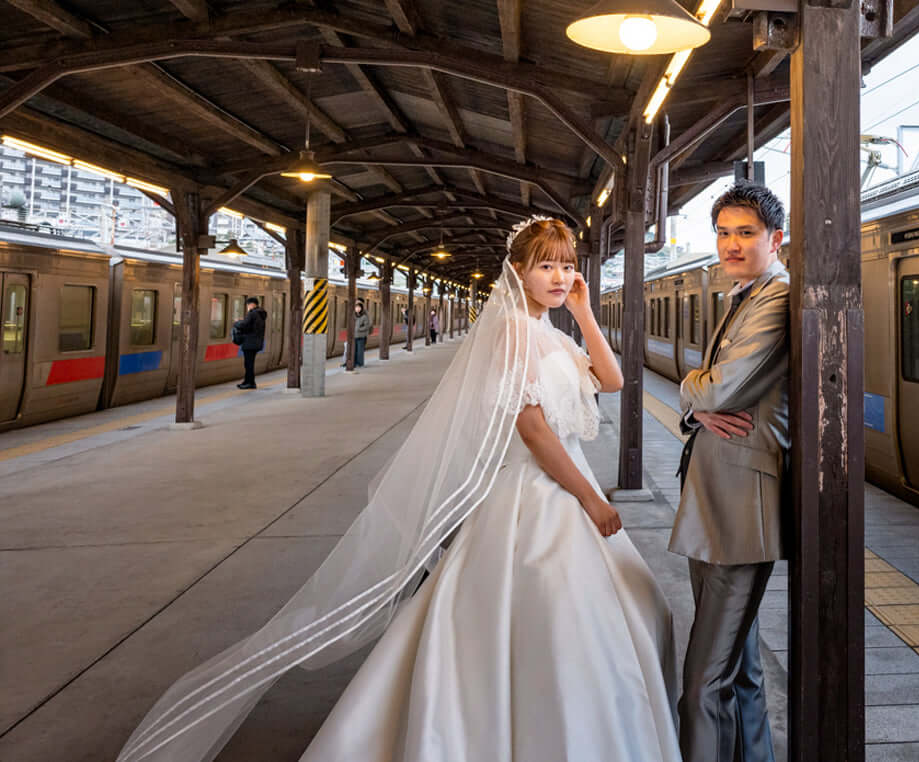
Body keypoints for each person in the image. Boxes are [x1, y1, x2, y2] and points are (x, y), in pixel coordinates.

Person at [117, 217, 681, 762]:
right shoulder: (512, 334)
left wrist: (583, 311)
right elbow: (531, 429)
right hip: (535, 496)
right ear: (516, 271)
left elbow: (612, 380)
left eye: (566, 266)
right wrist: (590, 496)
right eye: (545, 266)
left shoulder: (549, 333)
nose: (558, 277)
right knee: (553, 621)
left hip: (559, 489)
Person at [669, 183, 790, 762]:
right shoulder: (745, 293)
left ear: (776, 238)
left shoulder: (776, 298)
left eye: (745, 233)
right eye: (723, 232)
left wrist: (694, 391)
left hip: (742, 509)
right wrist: (700, 402)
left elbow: (721, 386)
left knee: (702, 683)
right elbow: (708, 398)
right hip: (715, 501)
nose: (731, 245)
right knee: (737, 671)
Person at [235, 297, 266, 390]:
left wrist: (237, 323)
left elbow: (244, 325)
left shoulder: (252, 314)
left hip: (250, 342)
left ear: (252, 304)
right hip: (256, 342)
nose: (247, 307)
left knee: (248, 364)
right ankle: (248, 381)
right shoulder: (261, 314)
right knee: (249, 363)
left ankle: (249, 382)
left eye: (248, 305)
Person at [351, 300, 371, 369]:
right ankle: (354, 363)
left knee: (360, 351)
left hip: (361, 336)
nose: (357, 308)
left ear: (361, 308)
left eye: (359, 307)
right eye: (356, 307)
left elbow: (367, 326)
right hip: (354, 336)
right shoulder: (353, 315)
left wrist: (359, 329)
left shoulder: (364, 316)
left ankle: (360, 363)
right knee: (354, 351)